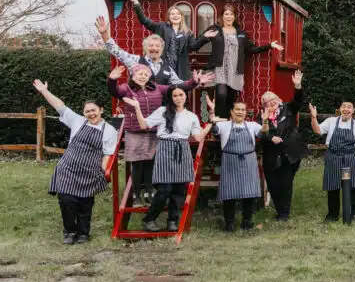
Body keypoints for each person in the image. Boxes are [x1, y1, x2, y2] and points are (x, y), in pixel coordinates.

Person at [108, 65, 210, 204]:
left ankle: (150, 192)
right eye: (139, 73)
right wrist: (112, 80)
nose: (143, 76)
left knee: (151, 163)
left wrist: (194, 82)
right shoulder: (126, 88)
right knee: (137, 165)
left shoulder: (157, 88)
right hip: (135, 131)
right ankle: (137, 196)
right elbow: (115, 91)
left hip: (152, 131)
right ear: (132, 75)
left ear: (149, 76)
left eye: (145, 74)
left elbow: (178, 87)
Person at [33, 80, 118, 244]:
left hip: (90, 171)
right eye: (87, 111)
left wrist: (104, 172)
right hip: (68, 169)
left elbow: (108, 154)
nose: (91, 114)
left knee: (85, 203)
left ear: (101, 110)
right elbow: (60, 105)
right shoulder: (78, 121)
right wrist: (44, 91)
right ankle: (70, 232)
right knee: (66, 201)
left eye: (94, 110)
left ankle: (84, 234)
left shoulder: (109, 130)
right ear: (84, 113)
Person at [123, 86, 213, 233]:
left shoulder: (191, 116)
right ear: (170, 98)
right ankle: (149, 219)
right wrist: (137, 107)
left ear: (185, 96)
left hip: (182, 149)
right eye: (175, 95)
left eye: (181, 95)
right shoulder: (162, 111)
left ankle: (173, 221)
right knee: (164, 189)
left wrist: (211, 122)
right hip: (165, 149)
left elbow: (198, 137)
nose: (178, 98)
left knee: (179, 191)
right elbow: (144, 124)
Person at [198, 4, 284, 119]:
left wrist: (270, 46)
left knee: (230, 98)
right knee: (221, 94)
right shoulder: (215, 29)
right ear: (222, 16)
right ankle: (219, 122)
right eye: (226, 14)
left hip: (235, 71)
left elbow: (252, 49)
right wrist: (204, 37)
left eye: (231, 14)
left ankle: (228, 121)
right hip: (219, 69)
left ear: (234, 16)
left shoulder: (240, 33)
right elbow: (196, 44)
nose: (229, 17)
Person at [125, 0, 206, 81]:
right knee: (164, 92)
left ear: (182, 16)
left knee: (180, 92)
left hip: (181, 68)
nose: (175, 16)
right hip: (164, 66)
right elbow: (145, 21)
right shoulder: (162, 27)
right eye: (173, 14)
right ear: (169, 16)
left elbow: (193, 47)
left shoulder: (188, 32)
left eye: (178, 14)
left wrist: (205, 37)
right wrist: (136, 3)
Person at [209, 98, 264, 232]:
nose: (240, 112)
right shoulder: (224, 125)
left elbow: (263, 133)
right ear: (232, 112)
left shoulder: (252, 126)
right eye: (237, 109)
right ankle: (229, 223)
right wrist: (211, 113)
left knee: (249, 193)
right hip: (230, 160)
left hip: (249, 160)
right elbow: (214, 130)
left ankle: (247, 222)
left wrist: (266, 120)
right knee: (229, 193)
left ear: (246, 113)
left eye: (243, 110)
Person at [260, 70, 308, 221]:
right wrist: (270, 138)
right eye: (267, 101)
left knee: (286, 183)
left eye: (273, 98)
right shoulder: (260, 117)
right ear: (264, 105)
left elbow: (298, 101)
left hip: (290, 154)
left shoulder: (288, 109)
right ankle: (280, 210)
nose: (271, 102)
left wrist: (298, 85)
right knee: (273, 185)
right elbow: (260, 134)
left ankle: (284, 214)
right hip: (271, 156)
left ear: (278, 99)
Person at [96, 16, 184, 86]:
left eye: (157, 46)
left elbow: (180, 84)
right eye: (151, 45)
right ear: (145, 49)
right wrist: (104, 33)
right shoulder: (136, 60)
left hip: (162, 107)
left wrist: (195, 81)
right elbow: (116, 51)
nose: (154, 48)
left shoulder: (167, 67)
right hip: (139, 106)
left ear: (161, 50)